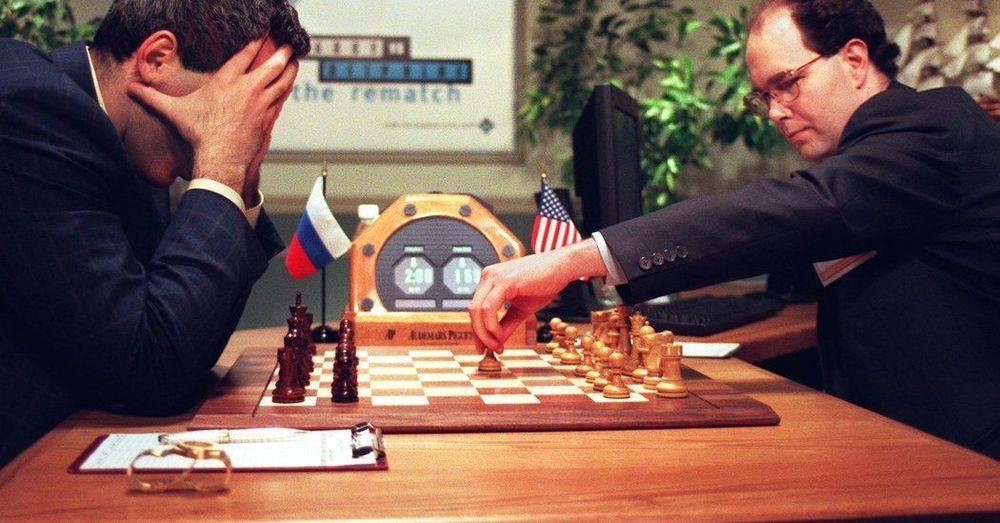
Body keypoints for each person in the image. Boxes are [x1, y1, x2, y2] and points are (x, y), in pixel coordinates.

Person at [469, 0, 1000, 459]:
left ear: (855, 60)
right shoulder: (881, 148)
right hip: (900, 436)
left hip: (964, 456)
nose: (775, 112)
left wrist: (572, 259)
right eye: (764, 96)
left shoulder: (931, 127)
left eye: (787, 84)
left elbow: (796, 209)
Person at [0, 0, 309, 466]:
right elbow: (152, 371)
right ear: (157, 59)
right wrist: (222, 163)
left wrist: (240, 175)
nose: (246, 124)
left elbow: (186, 354)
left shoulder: (127, 137)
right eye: (239, 100)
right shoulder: (28, 111)